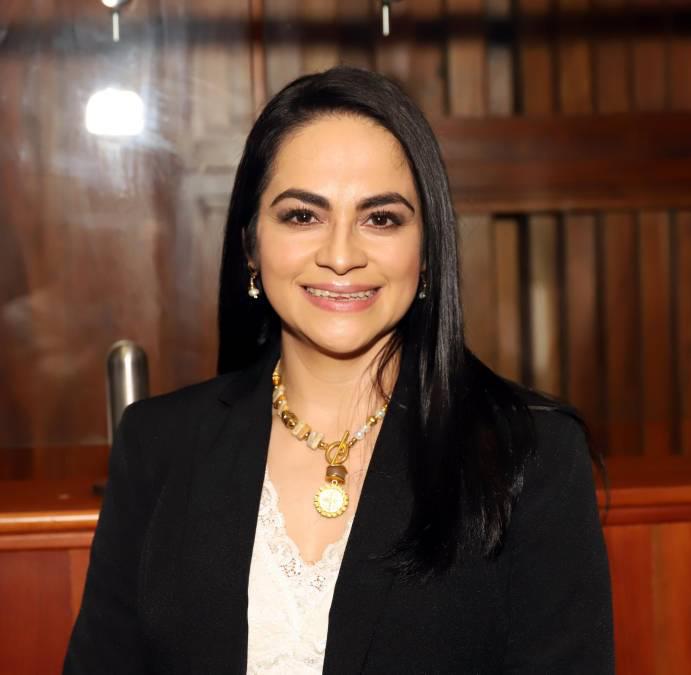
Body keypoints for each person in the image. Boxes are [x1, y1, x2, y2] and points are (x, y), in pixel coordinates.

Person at [63, 66, 614, 674]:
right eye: (303, 216)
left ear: (427, 252)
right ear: (251, 245)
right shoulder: (157, 445)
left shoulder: (531, 456)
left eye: (381, 218)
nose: (342, 255)